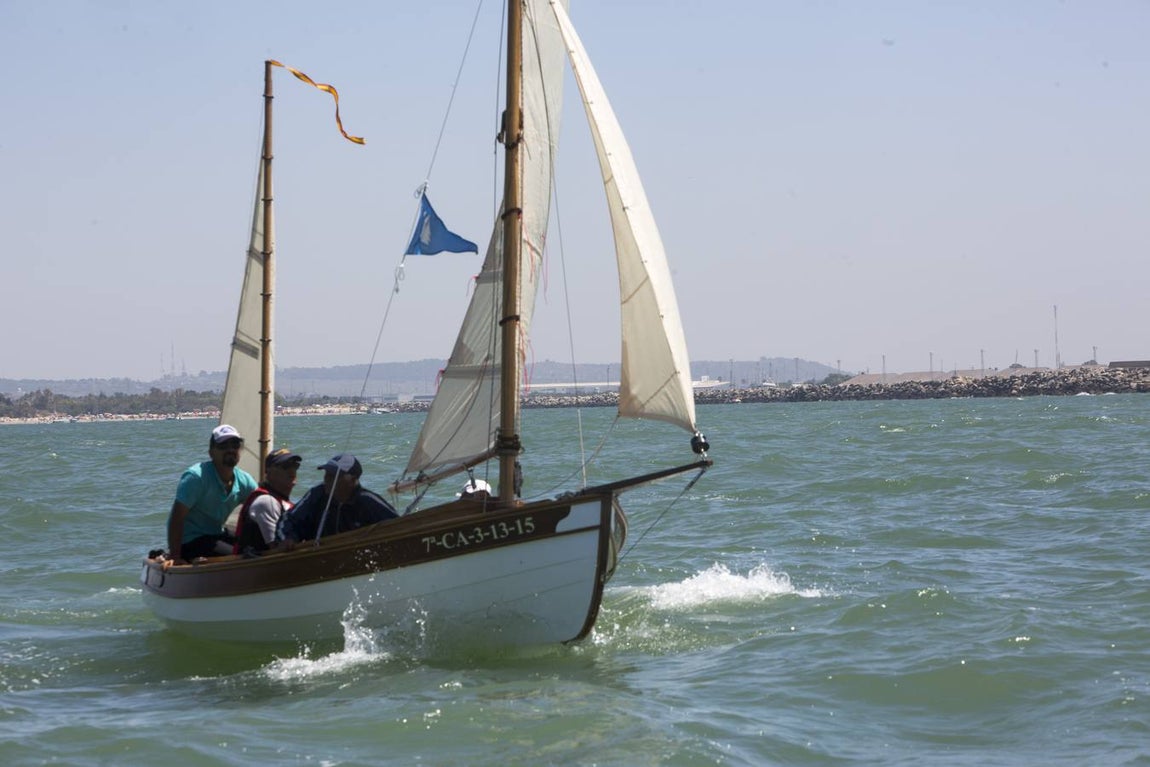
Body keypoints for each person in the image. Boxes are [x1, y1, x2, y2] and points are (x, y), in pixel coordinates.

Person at [166, 424, 259, 564]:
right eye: (223, 446)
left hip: (217, 535)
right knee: (240, 553)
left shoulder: (244, 481)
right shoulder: (196, 477)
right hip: (191, 541)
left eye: (235, 445)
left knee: (254, 547)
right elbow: (176, 518)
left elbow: (262, 505)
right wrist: (175, 557)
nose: (230, 449)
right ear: (211, 452)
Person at [277, 453, 398, 543]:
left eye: (334, 476)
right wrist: (288, 538)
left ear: (353, 480)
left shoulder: (368, 502)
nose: (327, 480)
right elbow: (289, 519)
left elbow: (397, 526)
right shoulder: (317, 494)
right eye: (327, 475)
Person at [232, 448, 302, 554]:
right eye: (285, 466)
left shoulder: (282, 502)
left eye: (295, 466)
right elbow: (278, 548)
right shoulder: (266, 502)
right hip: (255, 566)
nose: (292, 470)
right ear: (269, 472)